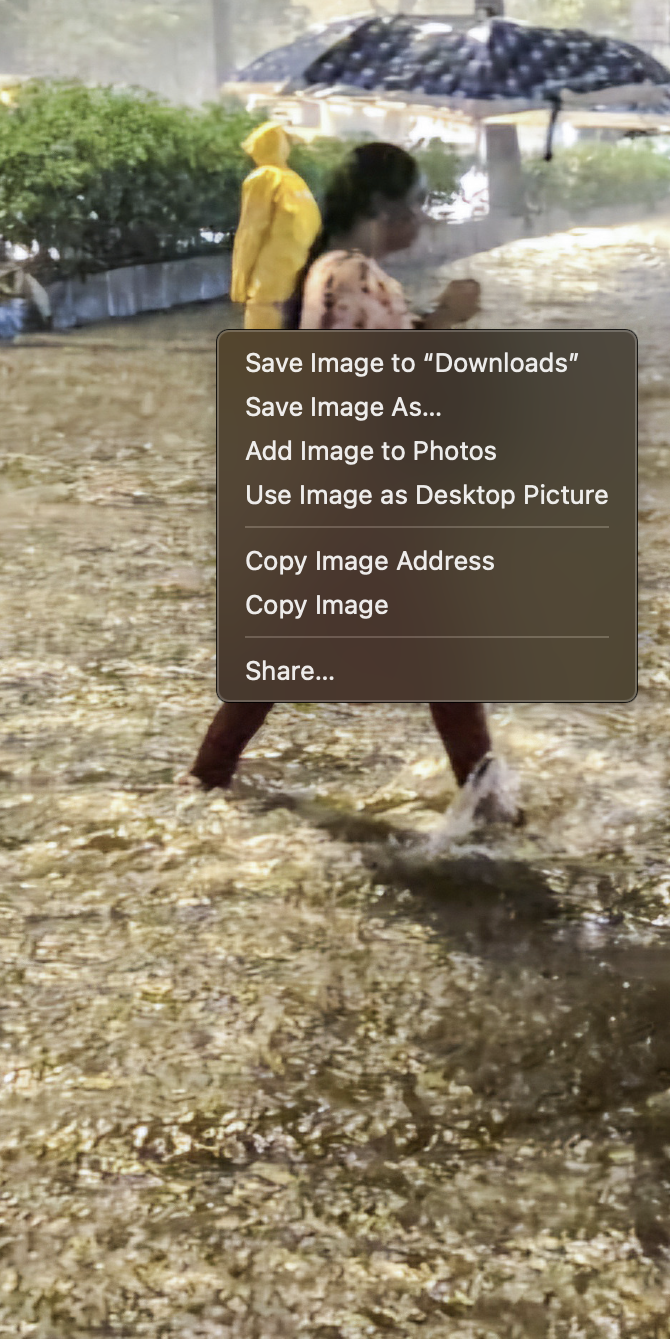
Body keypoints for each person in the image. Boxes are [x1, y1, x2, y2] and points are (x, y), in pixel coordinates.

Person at [187, 142, 518, 823]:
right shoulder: (350, 276)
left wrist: (441, 324)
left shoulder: (338, 274)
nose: (421, 222)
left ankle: (206, 781)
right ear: (382, 209)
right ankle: (490, 811)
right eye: (416, 206)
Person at [228, 121, 321, 330]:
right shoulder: (295, 181)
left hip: (269, 282)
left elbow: (250, 231)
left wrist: (239, 284)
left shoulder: (263, 177)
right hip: (298, 279)